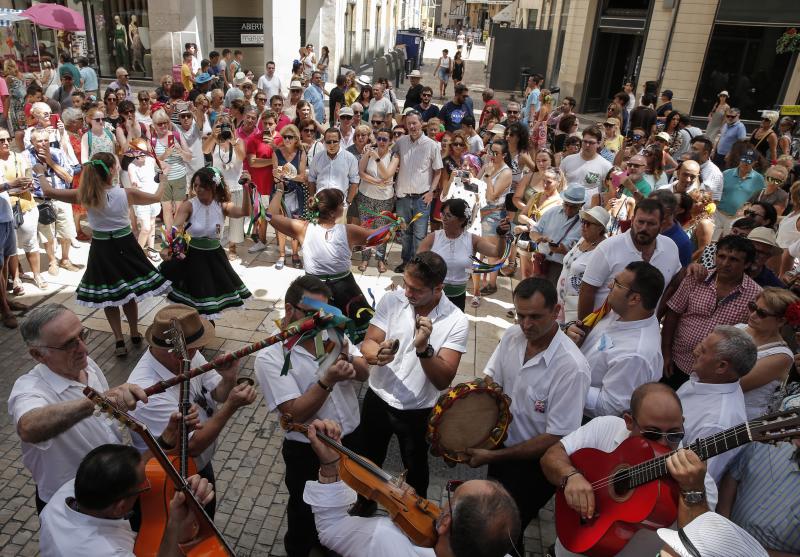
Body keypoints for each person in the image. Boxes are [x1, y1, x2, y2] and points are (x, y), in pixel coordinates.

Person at [470, 277, 589, 554]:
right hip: (500, 449)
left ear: (557, 311)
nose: (526, 325)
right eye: (521, 315)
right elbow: (491, 380)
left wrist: (493, 456)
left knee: (505, 531)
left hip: (536, 467)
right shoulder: (513, 336)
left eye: (535, 316)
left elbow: (556, 437)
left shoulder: (572, 368)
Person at [255, 276, 369, 557]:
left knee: (351, 508)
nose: (323, 320)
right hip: (307, 452)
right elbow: (293, 412)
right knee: (305, 520)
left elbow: (365, 373)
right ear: (290, 309)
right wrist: (326, 381)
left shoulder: (331, 335)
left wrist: (351, 358)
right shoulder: (269, 356)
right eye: (314, 314)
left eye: (327, 312)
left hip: (350, 440)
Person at [541, 382, 719, 557]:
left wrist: (692, 490)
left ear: (683, 423)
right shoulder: (605, 427)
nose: (664, 444)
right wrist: (571, 476)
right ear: (629, 422)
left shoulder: (699, 480)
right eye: (652, 433)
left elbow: (696, 545)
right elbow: (551, 456)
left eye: (674, 434)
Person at [303, 418, 521, 557]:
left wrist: (331, 464)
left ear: (445, 523)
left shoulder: (384, 540)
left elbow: (331, 530)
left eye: (451, 499)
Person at [355, 251, 468, 512]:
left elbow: (443, 380)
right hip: (378, 399)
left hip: (417, 411)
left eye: (416, 290)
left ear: (438, 288)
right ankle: (364, 506)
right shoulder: (392, 300)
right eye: (406, 284)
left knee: (416, 473)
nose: (407, 293)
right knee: (368, 463)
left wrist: (424, 350)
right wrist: (376, 355)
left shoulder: (456, 321)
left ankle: (416, 521)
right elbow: (369, 342)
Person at [9, 304, 149, 512]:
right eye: (68, 345)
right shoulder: (29, 389)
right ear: (38, 355)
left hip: (115, 491)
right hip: (72, 506)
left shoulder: (86, 364)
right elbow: (29, 427)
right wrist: (99, 401)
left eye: (82, 335)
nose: (84, 348)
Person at [128, 304, 256, 516]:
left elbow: (217, 394)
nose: (199, 351)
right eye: (194, 347)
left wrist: (229, 377)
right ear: (176, 351)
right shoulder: (147, 391)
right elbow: (191, 445)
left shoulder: (188, 353)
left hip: (200, 465)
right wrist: (232, 406)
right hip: (170, 479)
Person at [39, 151, 169, 354]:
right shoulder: (126, 193)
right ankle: (134, 333)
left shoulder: (85, 195)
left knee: (109, 295)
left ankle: (119, 340)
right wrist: (163, 177)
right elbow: (157, 197)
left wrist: (40, 173)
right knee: (128, 294)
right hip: (125, 246)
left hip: (102, 249)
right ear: (113, 170)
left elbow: (49, 191)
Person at [39, 443, 214, 556]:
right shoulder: (106, 552)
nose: (148, 483)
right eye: (144, 485)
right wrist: (177, 526)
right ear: (119, 508)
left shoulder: (63, 495)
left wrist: (165, 441)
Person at [565, 262, 665, 418]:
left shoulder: (636, 356)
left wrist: (567, 379)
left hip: (580, 417)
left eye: (617, 284)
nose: (610, 285)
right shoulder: (623, 311)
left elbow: (610, 407)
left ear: (634, 299)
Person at [661, 234, 761, 390]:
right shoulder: (696, 278)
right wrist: (666, 353)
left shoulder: (755, 295)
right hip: (676, 362)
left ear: (747, 264)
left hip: (712, 376)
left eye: (734, 259)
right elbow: (673, 314)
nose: (725, 263)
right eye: (721, 256)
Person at [161, 167, 251, 318]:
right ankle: (195, 331)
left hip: (214, 258)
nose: (198, 189)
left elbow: (245, 212)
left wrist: (246, 188)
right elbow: (176, 227)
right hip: (192, 257)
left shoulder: (222, 205)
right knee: (193, 299)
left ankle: (205, 330)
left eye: (202, 186)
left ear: (213, 185)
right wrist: (168, 247)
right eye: (195, 185)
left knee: (209, 299)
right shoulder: (189, 205)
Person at [716, 395, 800, 555]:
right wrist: (722, 526)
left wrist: (751, 553)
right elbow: (732, 477)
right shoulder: (772, 441)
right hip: (718, 541)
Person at [578, 198, 680, 319]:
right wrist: (584, 328)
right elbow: (587, 291)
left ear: (662, 225)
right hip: (604, 331)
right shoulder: (608, 247)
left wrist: (657, 315)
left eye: (651, 224)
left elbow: (674, 282)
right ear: (632, 221)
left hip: (646, 330)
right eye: (640, 222)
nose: (644, 228)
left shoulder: (671, 247)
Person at [677, 326, 753, 482]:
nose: (695, 351)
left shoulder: (717, 424)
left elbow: (694, 481)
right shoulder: (709, 378)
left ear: (721, 367)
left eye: (703, 351)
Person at [419, 198, 508, 310]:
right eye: (443, 214)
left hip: (458, 298)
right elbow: (417, 261)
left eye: (448, 216)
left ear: (461, 220)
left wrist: (501, 235)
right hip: (432, 296)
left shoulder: (472, 240)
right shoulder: (433, 237)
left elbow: (497, 252)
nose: (444, 219)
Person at [733, 287, 796, 419]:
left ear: (781, 321)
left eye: (762, 313)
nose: (753, 315)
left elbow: (735, 384)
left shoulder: (782, 356)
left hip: (739, 418)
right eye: (753, 307)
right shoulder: (738, 328)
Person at [393, 111, 444, 272]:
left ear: (422, 123)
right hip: (403, 197)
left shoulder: (432, 145)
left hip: (422, 198)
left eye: (415, 123)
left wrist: (431, 192)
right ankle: (406, 262)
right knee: (405, 233)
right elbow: (388, 153)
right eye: (409, 124)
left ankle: (417, 265)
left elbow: (438, 171)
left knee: (419, 234)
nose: (412, 126)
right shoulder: (401, 142)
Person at [27, 128, 80, 276]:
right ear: (32, 142)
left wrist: (51, 162)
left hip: (62, 197)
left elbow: (69, 178)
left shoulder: (57, 153)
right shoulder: (26, 156)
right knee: (47, 234)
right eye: (39, 141)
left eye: (46, 140)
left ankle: (65, 259)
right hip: (41, 200)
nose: (43, 143)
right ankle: (52, 261)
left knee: (66, 231)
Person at [201, 112, 247, 260]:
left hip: (236, 186)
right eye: (221, 125)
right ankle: (216, 244)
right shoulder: (214, 141)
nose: (224, 128)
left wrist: (232, 141)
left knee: (236, 220)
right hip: (218, 188)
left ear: (233, 126)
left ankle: (232, 247)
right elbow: (205, 150)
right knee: (216, 218)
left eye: (227, 125)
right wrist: (214, 135)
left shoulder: (238, 141)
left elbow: (242, 157)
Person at [520, 183, 585, 286]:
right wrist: (539, 237)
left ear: (581, 205)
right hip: (541, 261)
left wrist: (564, 251)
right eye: (566, 204)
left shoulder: (585, 223)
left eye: (573, 207)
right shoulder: (552, 212)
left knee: (551, 297)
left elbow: (583, 252)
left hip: (561, 267)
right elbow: (534, 231)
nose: (568, 209)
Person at [356, 127, 399, 273]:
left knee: (381, 231)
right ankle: (365, 258)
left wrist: (377, 159)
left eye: (385, 139)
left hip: (385, 199)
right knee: (366, 229)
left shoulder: (394, 155)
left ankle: (380, 260)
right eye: (379, 138)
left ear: (390, 141)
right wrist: (376, 182)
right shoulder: (369, 151)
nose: (381, 142)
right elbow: (361, 173)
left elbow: (386, 175)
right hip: (366, 196)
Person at [556, 206, 609, 323]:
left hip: (575, 308)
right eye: (583, 221)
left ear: (600, 228)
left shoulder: (602, 250)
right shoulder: (582, 239)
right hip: (561, 299)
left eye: (589, 223)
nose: (584, 226)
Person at [475, 139, 513, 293]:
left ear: (504, 155)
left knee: (491, 250)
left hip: (494, 214)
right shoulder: (487, 166)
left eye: (496, 153)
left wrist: (489, 176)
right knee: (479, 247)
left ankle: (492, 283)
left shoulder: (506, 172)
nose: (492, 155)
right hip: (480, 211)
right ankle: (480, 280)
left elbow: (492, 196)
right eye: (491, 151)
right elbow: (476, 184)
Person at [271, 123, 308, 268]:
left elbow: (302, 177)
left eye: (290, 137)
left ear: (296, 139)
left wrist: (286, 175)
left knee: (295, 224)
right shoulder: (277, 153)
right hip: (280, 193)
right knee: (281, 225)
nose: (286, 139)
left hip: (296, 194)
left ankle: (294, 253)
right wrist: (278, 176)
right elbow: (275, 178)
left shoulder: (301, 153)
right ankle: (281, 254)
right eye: (284, 137)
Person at [151, 108, 192, 234]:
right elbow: (152, 162)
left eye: (165, 122)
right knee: (167, 208)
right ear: (154, 125)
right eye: (160, 124)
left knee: (179, 209)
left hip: (179, 176)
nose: (163, 126)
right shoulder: (152, 140)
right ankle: (170, 236)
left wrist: (180, 151)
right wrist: (165, 154)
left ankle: (178, 235)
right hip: (164, 179)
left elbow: (189, 157)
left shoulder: (176, 135)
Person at [715, 148, 765, 239]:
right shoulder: (726, 173)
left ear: (755, 163)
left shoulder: (759, 179)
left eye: (749, 161)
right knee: (711, 240)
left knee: (728, 243)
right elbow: (716, 192)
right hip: (718, 214)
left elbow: (759, 199)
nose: (745, 163)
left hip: (738, 219)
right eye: (744, 159)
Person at [560, 127, 612, 202]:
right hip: (566, 206)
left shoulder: (606, 165)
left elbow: (609, 190)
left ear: (598, 143)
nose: (587, 145)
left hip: (589, 210)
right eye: (585, 141)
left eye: (591, 143)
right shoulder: (567, 160)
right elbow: (559, 183)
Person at [651, 190, 693, 267]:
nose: (648, 210)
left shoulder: (683, 242)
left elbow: (682, 273)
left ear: (667, 210)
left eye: (653, 206)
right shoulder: (642, 226)